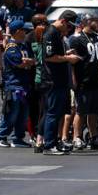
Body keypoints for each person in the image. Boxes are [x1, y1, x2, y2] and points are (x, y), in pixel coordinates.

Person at [41, 10, 81, 155]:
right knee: (52, 113)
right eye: (69, 26)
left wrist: (67, 54)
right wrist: (67, 58)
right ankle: (49, 144)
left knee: (58, 113)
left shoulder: (57, 34)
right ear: (63, 21)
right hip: (52, 80)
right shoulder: (51, 33)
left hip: (60, 79)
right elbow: (49, 57)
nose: (69, 30)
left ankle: (55, 141)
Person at [0, 20, 35, 148]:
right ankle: (1, 136)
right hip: (14, 86)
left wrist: (28, 61)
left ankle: (17, 138)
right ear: (17, 31)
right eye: (23, 30)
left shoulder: (22, 46)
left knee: (22, 114)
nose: (25, 32)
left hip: (23, 85)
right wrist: (28, 62)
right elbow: (20, 64)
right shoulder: (12, 48)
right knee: (12, 113)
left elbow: (32, 60)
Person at [69, 14, 98, 150]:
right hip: (83, 80)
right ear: (86, 22)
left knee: (94, 111)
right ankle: (76, 137)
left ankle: (94, 136)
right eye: (94, 20)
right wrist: (73, 79)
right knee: (81, 110)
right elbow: (72, 63)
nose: (97, 22)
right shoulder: (76, 39)